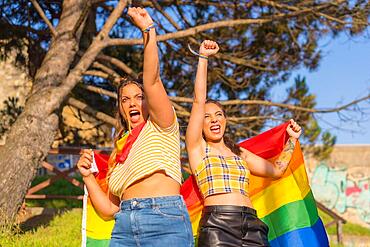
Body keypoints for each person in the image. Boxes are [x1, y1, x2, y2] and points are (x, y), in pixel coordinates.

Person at [77, 7, 193, 247]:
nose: (132, 103)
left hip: (164, 218)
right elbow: (109, 209)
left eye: (138, 97)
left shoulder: (162, 125)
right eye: (124, 99)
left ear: (148, 101)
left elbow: (152, 81)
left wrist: (148, 32)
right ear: (120, 107)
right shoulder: (118, 154)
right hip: (124, 227)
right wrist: (87, 177)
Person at [185, 40, 302, 247]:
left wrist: (292, 140)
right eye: (207, 116)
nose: (214, 120)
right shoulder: (197, 148)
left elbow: (277, 170)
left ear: (225, 120)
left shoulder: (240, 153)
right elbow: (198, 100)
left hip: (252, 226)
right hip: (217, 226)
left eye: (219, 115)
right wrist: (203, 58)